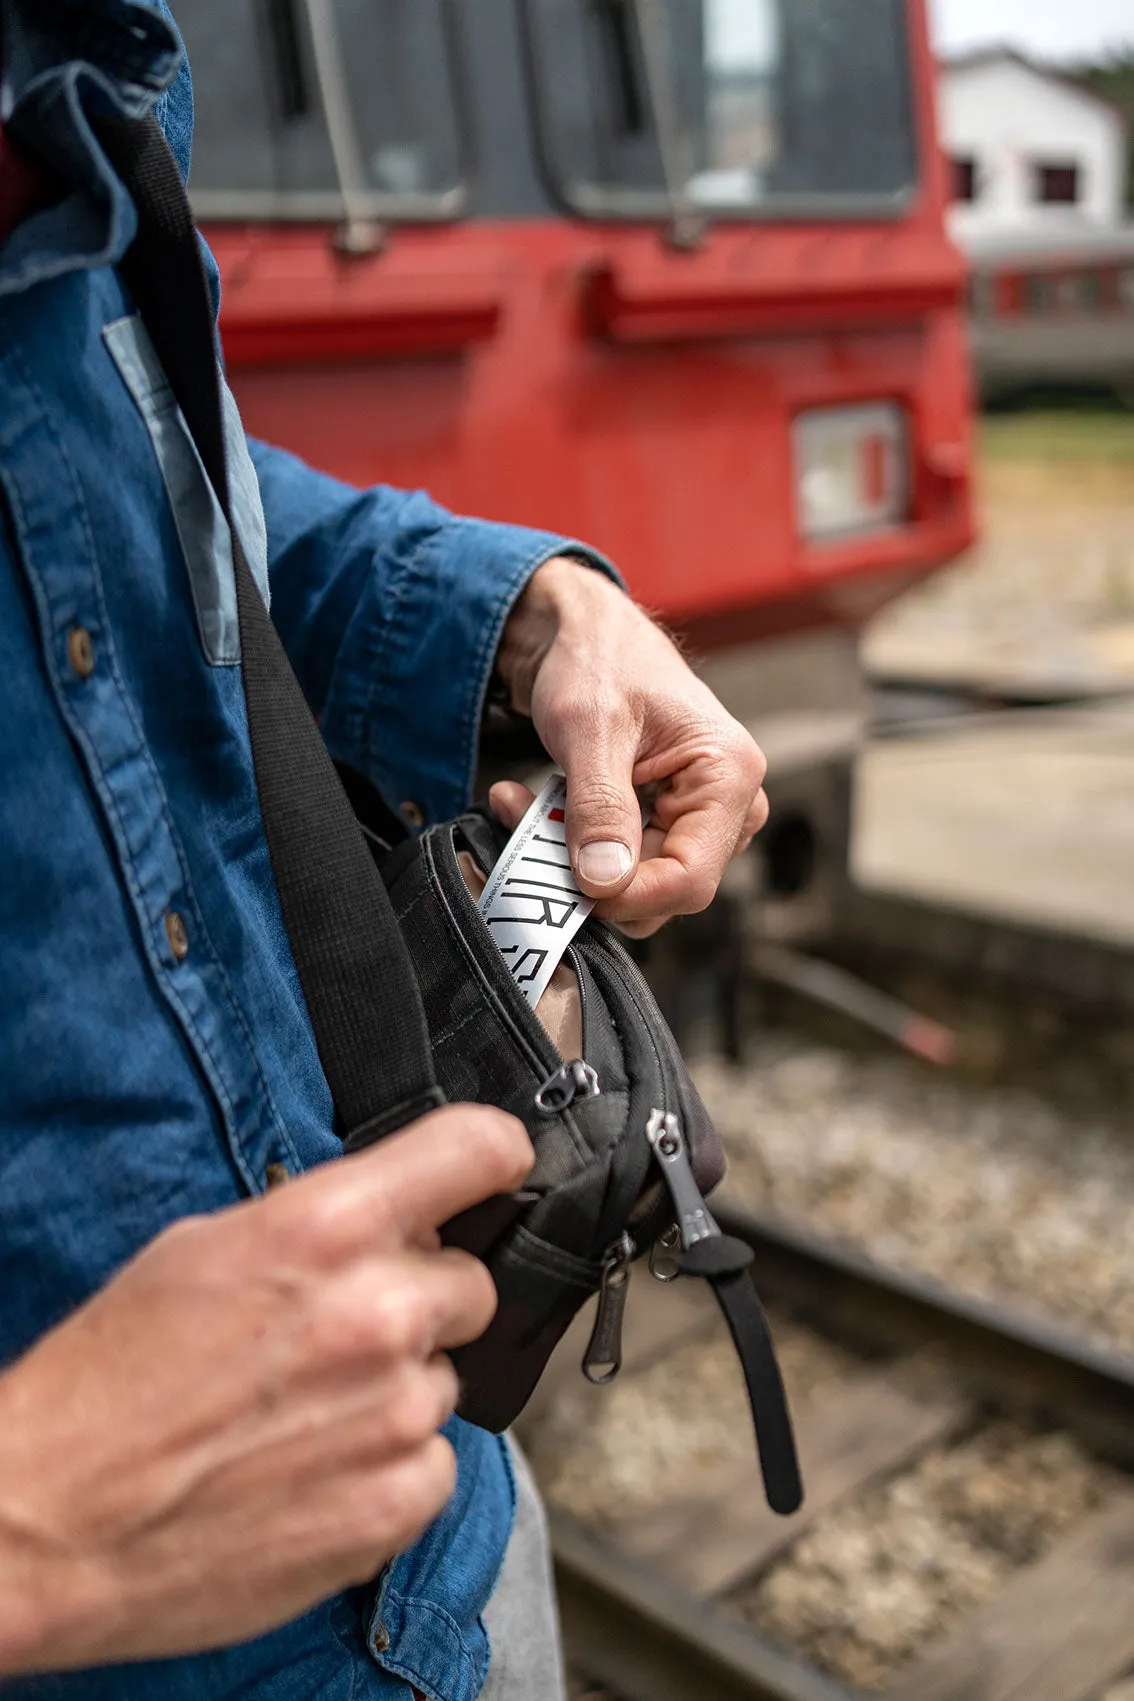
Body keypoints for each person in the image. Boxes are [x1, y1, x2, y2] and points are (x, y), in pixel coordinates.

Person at [0, 1, 768, 1696]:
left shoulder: (65, 62)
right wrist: (30, 1523)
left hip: (441, 1555)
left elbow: (117, 481)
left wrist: (518, 621)